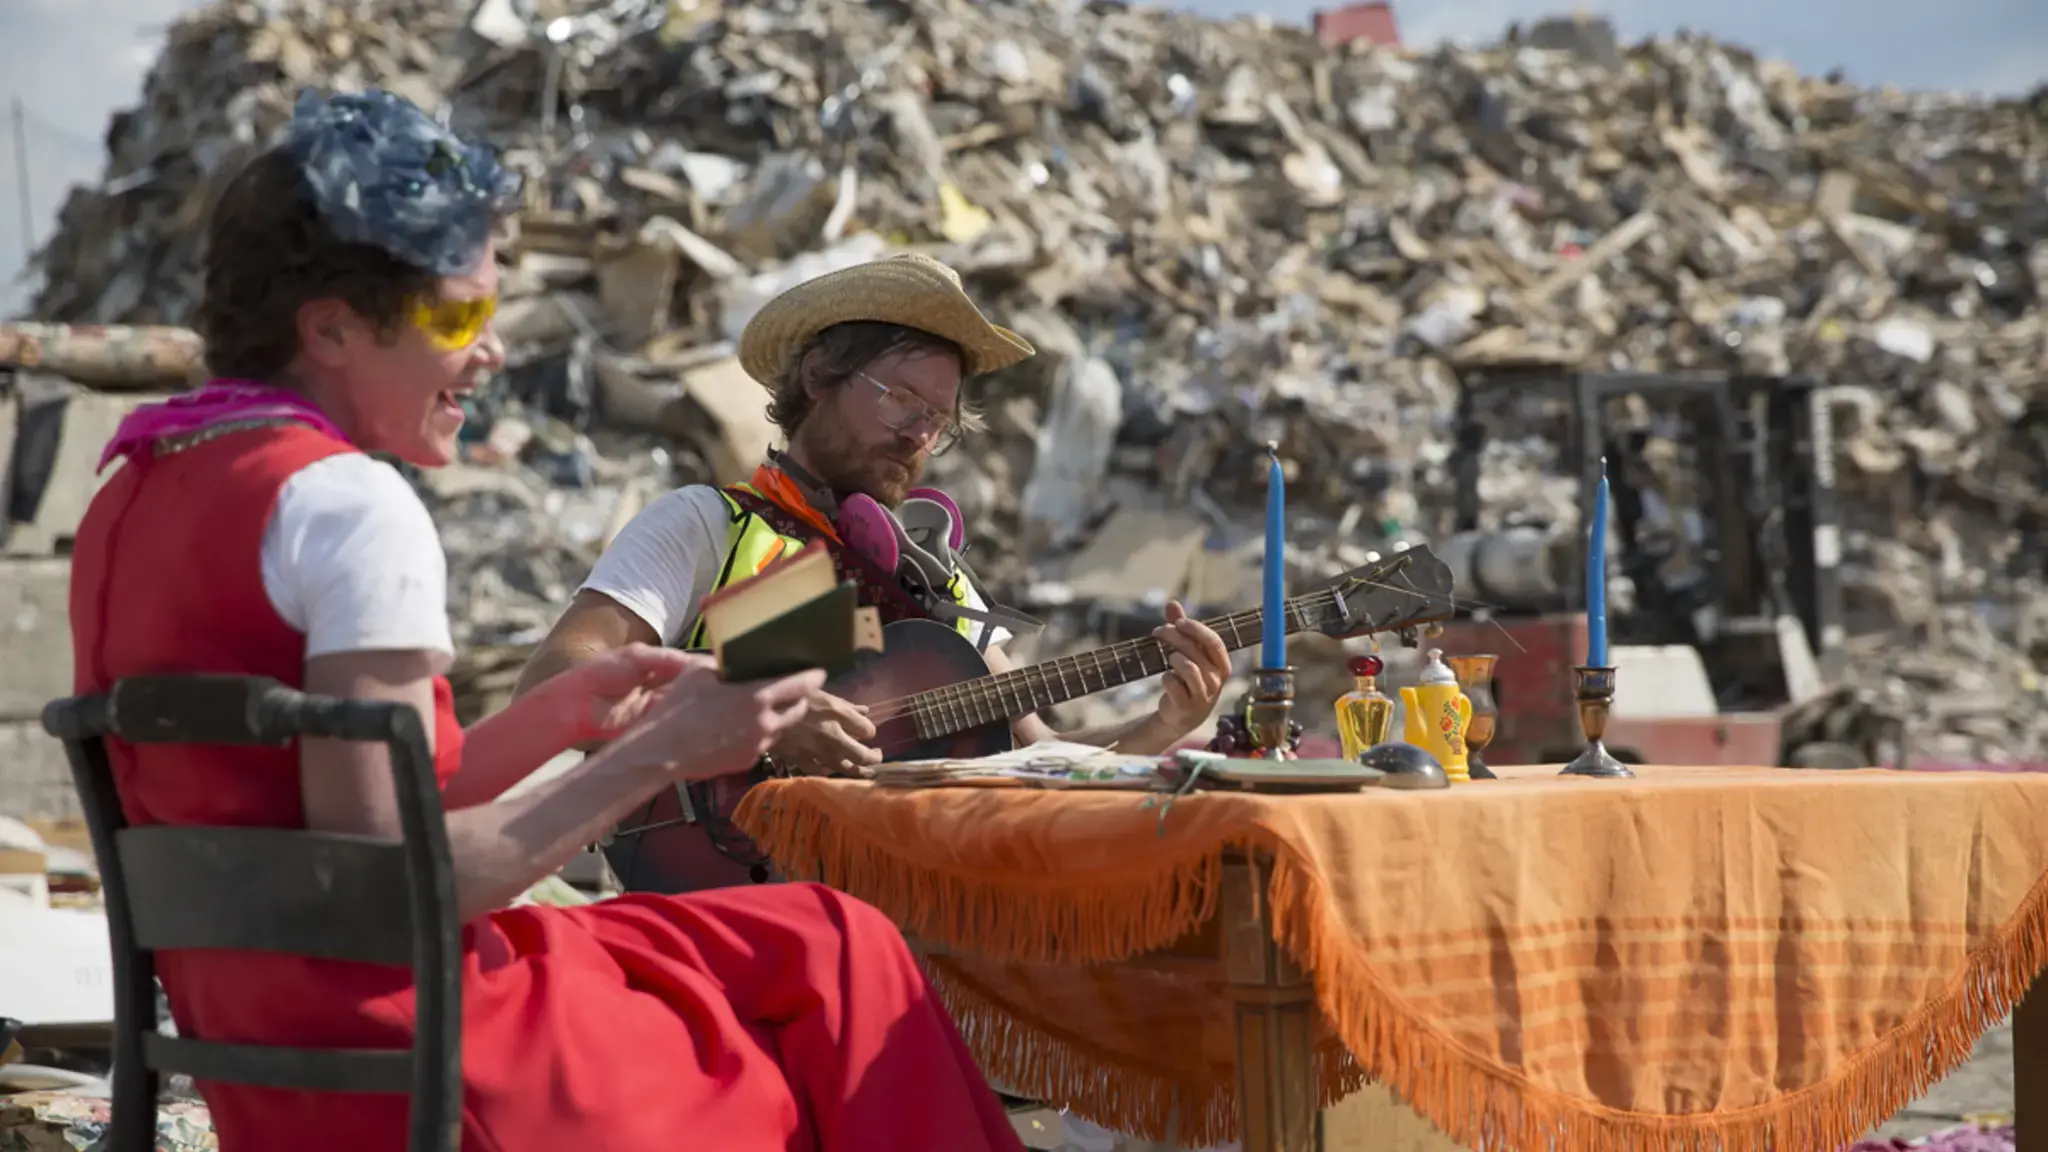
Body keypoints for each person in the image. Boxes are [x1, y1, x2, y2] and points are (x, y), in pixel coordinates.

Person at [67, 88, 1024, 1152]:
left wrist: (564, 709)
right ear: (330, 325)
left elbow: (338, 808)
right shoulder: (350, 506)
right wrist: (655, 753)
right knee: (835, 984)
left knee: (827, 937)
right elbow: (397, 891)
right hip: (418, 1046)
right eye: (455, 315)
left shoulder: (132, 488)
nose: (489, 352)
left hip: (260, 1032)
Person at [513, 253, 1237, 891]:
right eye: (901, 398)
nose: (919, 433)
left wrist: (1161, 724)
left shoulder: (938, 579)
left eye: (938, 419)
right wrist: (757, 722)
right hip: (721, 887)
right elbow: (553, 684)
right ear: (819, 375)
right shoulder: (707, 525)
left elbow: (1035, 762)